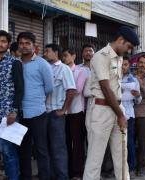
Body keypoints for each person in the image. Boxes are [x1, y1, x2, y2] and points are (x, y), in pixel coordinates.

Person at [83, 26, 140, 180]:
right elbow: (106, 88)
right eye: (128, 47)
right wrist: (121, 114)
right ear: (120, 40)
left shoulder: (119, 57)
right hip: (101, 110)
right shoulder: (101, 56)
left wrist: (120, 112)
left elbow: (115, 88)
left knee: (122, 154)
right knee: (95, 158)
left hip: (117, 108)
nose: (128, 51)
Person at [0, 30, 23, 180]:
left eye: (3, 41)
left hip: (9, 114)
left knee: (8, 150)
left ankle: (14, 177)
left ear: (8, 44)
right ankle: (11, 176)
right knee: (2, 150)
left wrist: (14, 112)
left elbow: (20, 88)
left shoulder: (15, 62)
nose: (0, 44)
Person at [18, 32, 53, 179]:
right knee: (23, 150)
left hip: (38, 113)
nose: (24, 46)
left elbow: (49, 88)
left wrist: (37, 98)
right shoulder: (15, 63)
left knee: (41, 150)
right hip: (20, 113)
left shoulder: (42, 64)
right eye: (21, 43)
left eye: (27, 43)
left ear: (34, 45)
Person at [44, 44, 76, 180]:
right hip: (43, 114)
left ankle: (62, 177)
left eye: (47, 51)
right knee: (46, 148)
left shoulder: (64, 69)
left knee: (58, 149)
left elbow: (71, 90)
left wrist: (63, 110)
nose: (45, 54)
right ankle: (51, 176)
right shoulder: (45, 68)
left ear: (55, 52)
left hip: (56, 114)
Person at [62, 48, 88, 179]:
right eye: (63, 56)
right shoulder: (62, 70)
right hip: (64, 111)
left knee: (77, 142)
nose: (64, 58)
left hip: (76, 111)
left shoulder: (80, 71)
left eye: (66, 56)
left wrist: (65, 91)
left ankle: (78, 171)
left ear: (73, 56)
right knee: (66, 141)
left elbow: (77, 90)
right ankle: (68, 170)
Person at [121, 56, 142, 178]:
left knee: (129, 142)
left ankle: (132, 167)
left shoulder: (133, 79)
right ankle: (118, 168)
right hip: (114, 113)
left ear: (128, 66)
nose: (123, 67)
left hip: (128, 114)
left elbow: (138, 101)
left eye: (125, 64)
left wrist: (138, 95)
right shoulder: (112, 77)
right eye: (121, 64)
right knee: (116, 144)